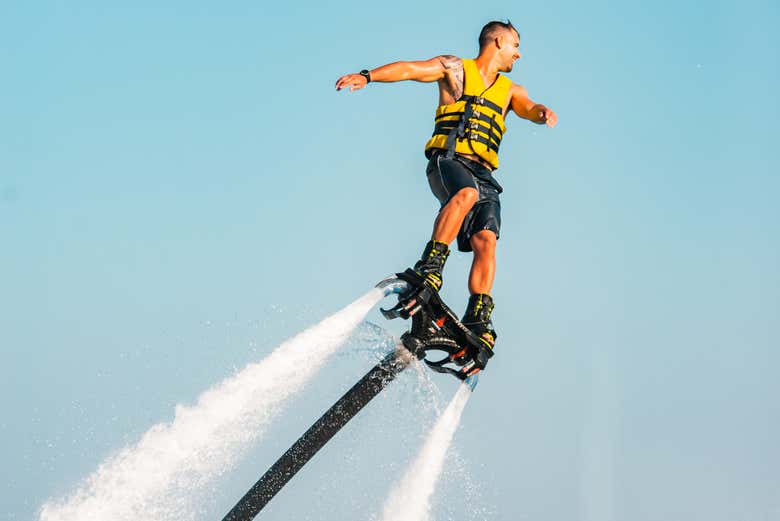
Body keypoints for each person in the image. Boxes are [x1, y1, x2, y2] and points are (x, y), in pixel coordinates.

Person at [335, 20, 557, 351]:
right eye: (515, 46)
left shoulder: (512, 90)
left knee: (486, 239)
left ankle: (478, 316)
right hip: (450, 161)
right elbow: (410, 69)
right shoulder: (454, 68)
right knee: (465, 194)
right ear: (497, 41)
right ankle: (432, 265)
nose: (519, 54)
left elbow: (527, 107)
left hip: (485, 175)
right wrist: (368, 76)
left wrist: (541, 112)